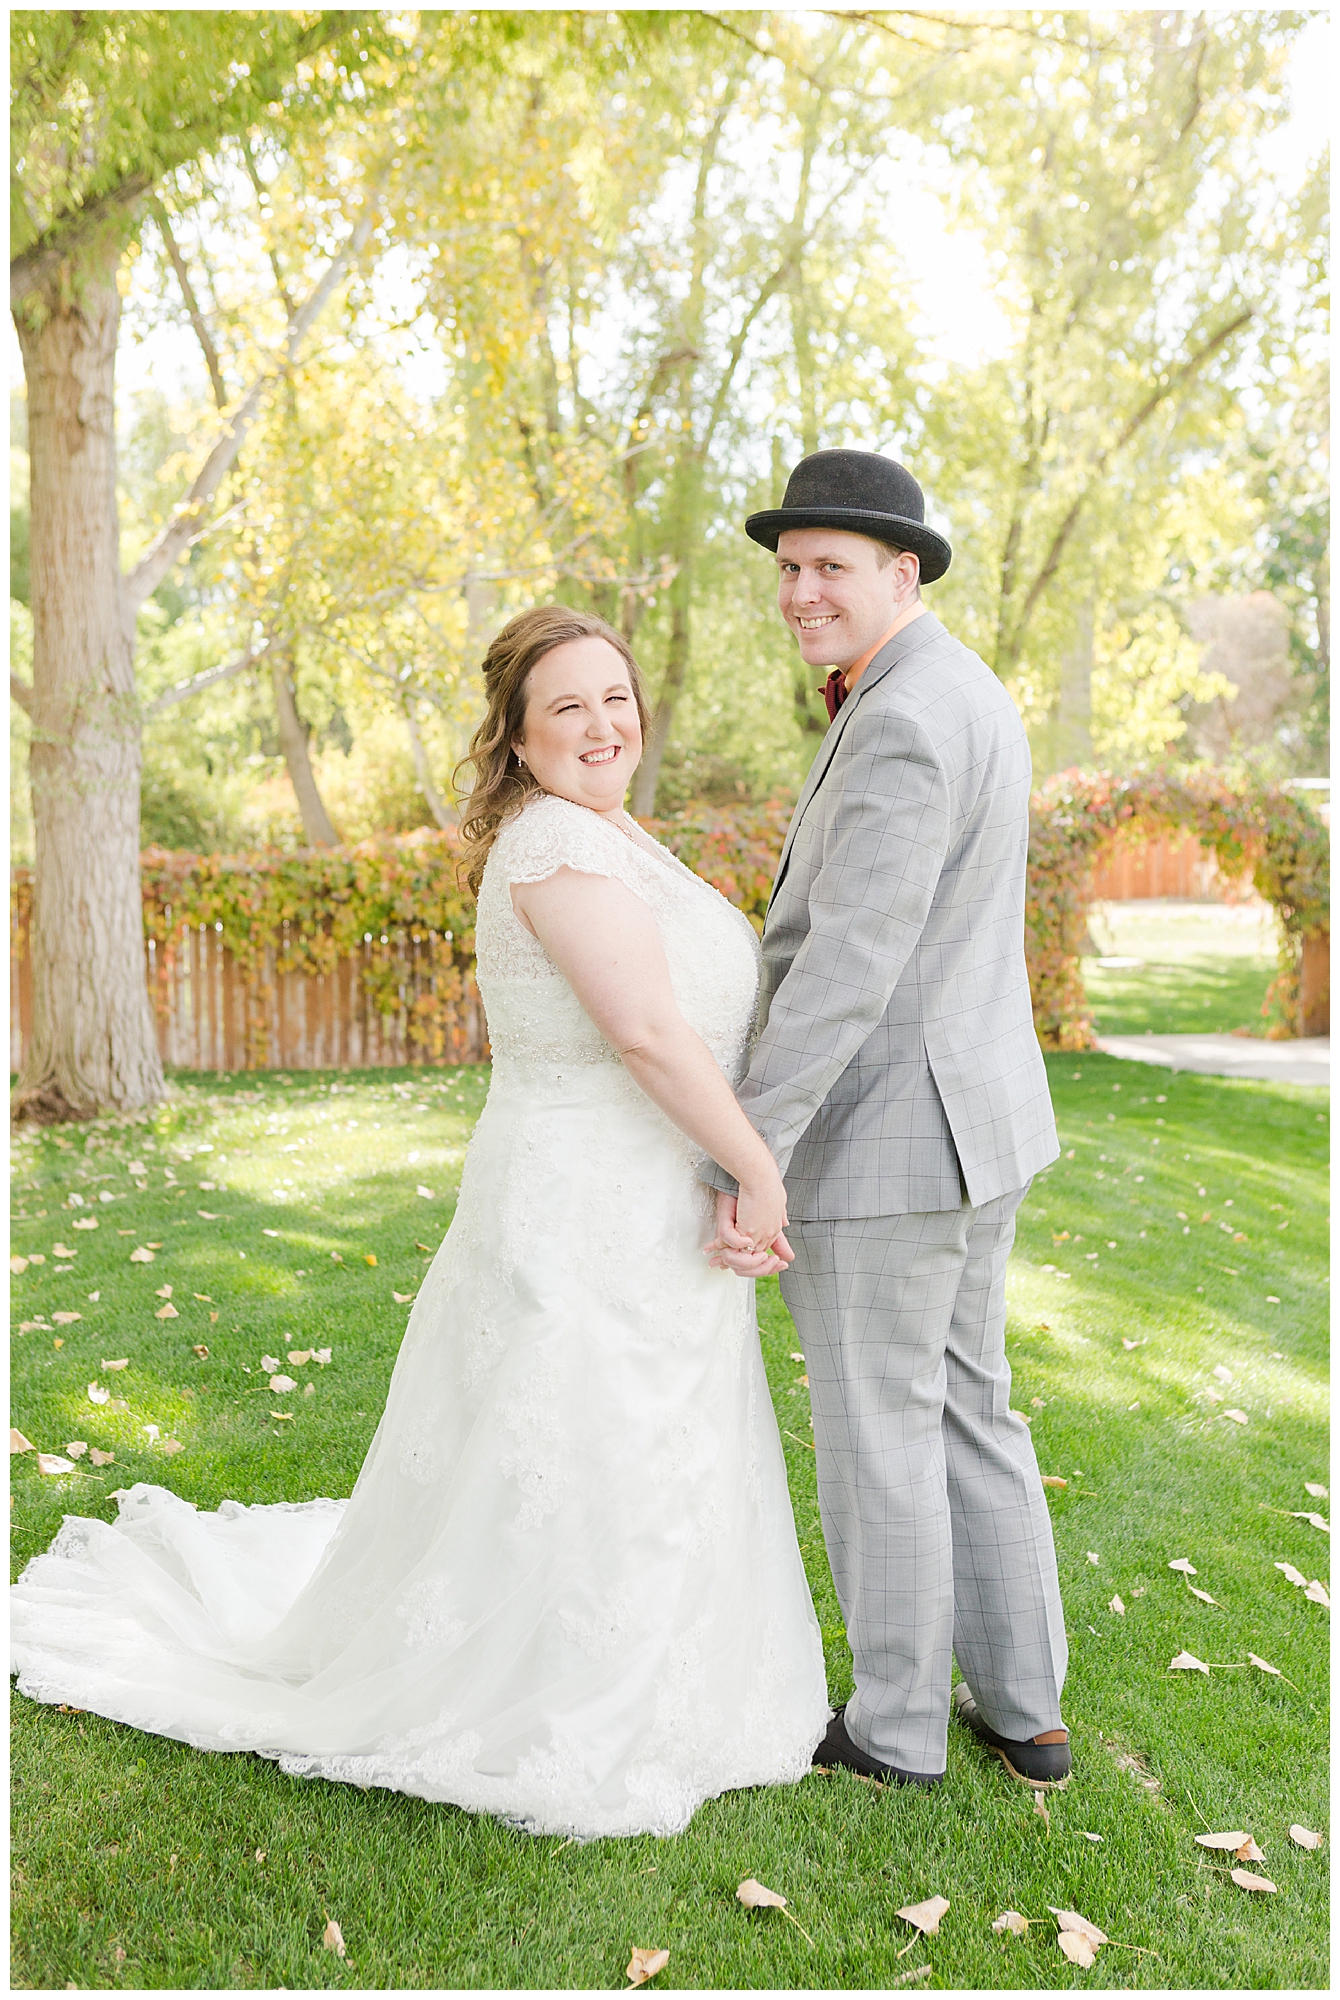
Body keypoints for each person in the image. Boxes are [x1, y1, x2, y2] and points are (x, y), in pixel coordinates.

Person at [10, 606, 829, 1840]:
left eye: (616, 697)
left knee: (652, 1434)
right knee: (585, 1432)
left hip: (648, 1191)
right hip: (579, 1199)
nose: (602, 723)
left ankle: (685, 1679)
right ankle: (554, 1697)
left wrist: (725, 1162)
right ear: (514, 734)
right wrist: (757, 1172)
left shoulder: (613, 834)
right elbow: (648, 1033)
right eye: (566, 705)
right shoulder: (554, 848)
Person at [705, 448, 1071, 1791]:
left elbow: (850, 963)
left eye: (829, 567)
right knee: (972, 1409)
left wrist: (750, 1147)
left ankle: (901, 1729)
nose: (801, 590)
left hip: (894, 1140)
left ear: (899, 570)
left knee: (884, 1432)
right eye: (789, 568)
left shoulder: (910, 715)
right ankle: (1025, 1713)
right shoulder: (956, 687)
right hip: (980, 1127)